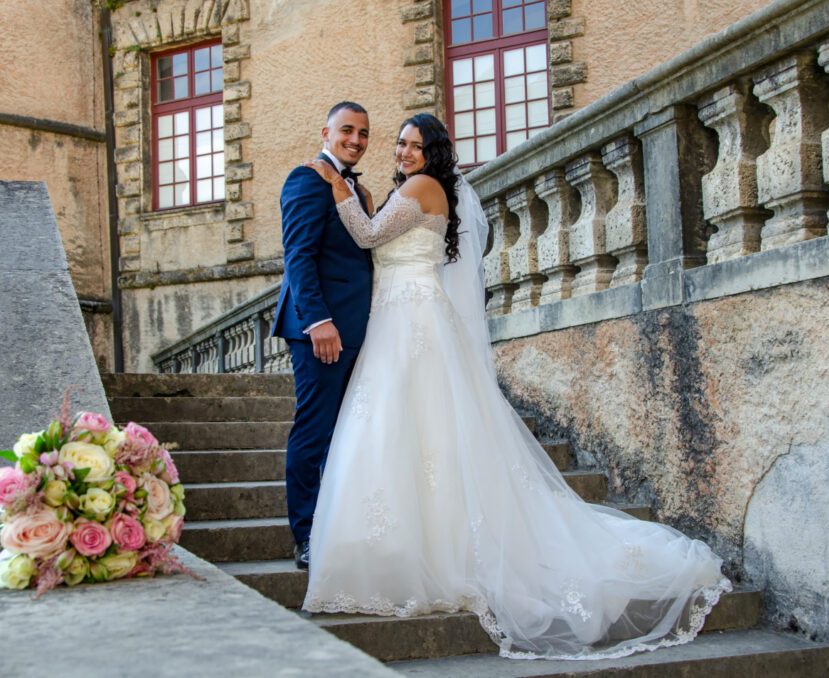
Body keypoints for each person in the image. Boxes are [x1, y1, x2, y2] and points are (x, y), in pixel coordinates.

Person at [298, 112, 732, 660]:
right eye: (401, 143)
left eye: (414, 145)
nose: (403, 152)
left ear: (433, 152)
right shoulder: (412, 187)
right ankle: (408, 548)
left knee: (411, 429)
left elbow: (366, 235)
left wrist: (336, 184)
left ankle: (433, 555)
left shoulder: (424, 186)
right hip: (397, 319)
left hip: (413, 324)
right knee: (406, 435)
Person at [272, 101, 375, 570]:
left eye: (364, 133)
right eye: (347, 130)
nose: (355, 140)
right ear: (326, 132)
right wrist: (317, 322)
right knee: (314, 430)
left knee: (344, 433)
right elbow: (298, 255)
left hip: (358, 327)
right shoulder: (306, 179)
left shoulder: (355, 188)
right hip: (324, 331)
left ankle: (338, 523)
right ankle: (307, 535)